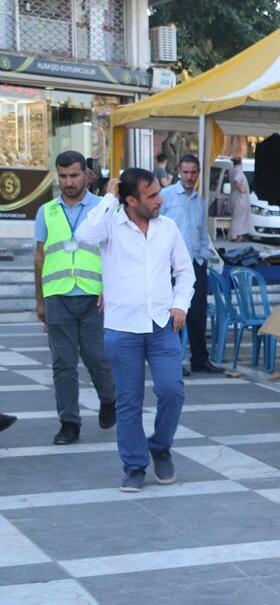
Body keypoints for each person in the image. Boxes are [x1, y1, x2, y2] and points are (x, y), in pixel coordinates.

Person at [76, 168, 195, 493]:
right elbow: (84, 236)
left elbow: (185, 271)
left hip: (162, 325)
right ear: (130, 200)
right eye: (152, 196)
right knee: (128, 402)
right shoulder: (110, 225)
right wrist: (108, 198)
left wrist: (180, 304)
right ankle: (134, 466)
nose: (160, 200)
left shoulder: (167, 227)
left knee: (172, 390)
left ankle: (160, 445)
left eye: (158, 193)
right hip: (122, 328)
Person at [34, 150, 116, 445]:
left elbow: (116, 252)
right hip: (57, 296)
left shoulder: (104, 208)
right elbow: (40, 257)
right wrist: (40, 300)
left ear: (86, 175)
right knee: (63, 364)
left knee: (97, 358)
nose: (68, 182)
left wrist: (111, 286)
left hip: (95, 296)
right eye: (63, 176)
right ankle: (69, 423)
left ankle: (109, 398)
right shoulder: (46, 211)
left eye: (74, 175)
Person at [160, 154, 222, 375]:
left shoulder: (199, 201)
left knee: (197, 313)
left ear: (198, 173)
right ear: (179, 172)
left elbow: (203, 232)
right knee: (174, 313)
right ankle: (173, 361)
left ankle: (200, 359)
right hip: (172, 265)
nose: (189, 177)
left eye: (193, 172)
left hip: (196, 263)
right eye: (185, 172)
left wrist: (203, 255)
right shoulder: (166, 196)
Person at [228, 156, 254, 242]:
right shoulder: (238, 172)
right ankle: (235, 236)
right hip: (240, 197)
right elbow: (236, 181)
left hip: (234, 196)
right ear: (241, 163)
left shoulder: (231, 171)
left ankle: (237, 235)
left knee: (237, 216)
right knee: (239, 217)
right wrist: (241, 189)